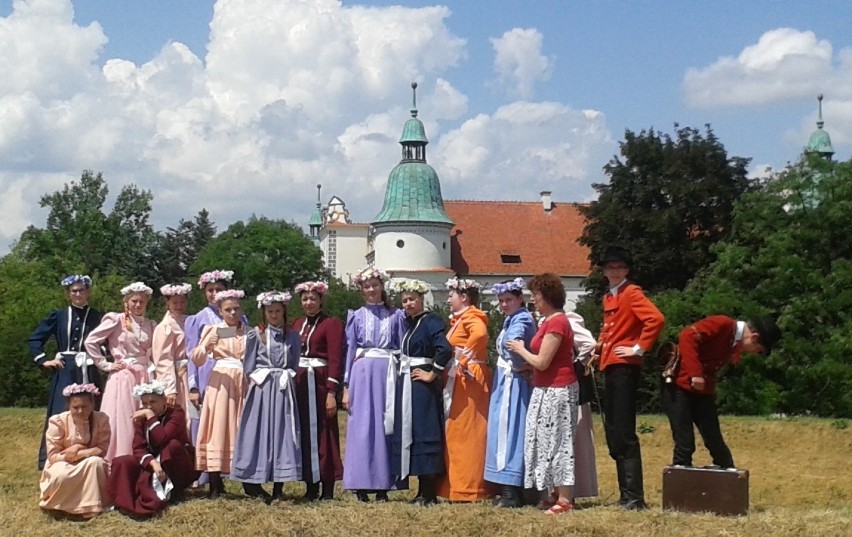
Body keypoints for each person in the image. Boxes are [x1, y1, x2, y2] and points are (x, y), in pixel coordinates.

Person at [594, 247, 665, 510]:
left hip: (624, 366)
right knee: (614, 430)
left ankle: (634, 497)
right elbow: (610, 329)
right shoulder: (610, 296)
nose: (613, 272)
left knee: (623, 431)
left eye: (618, 268)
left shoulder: (631, 292)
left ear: (626, 270)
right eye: (609, 268)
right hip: (611, 365)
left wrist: (638, 348)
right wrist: (598, 350)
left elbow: (655, 319)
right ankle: (626, 494)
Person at [662, 315, 781, 469]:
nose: (753, 353)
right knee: (685, 443)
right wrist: (695, 373)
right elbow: (687, 335)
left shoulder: (733, 343)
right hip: (678, 385)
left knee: (715, 442)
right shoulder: (722, 324)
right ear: (754, 337)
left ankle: (727, 478)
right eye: (758, 350)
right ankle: (680, 481)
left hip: (703, 392)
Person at [506, 273, 578, 516]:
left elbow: (544, 361)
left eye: (536, 295)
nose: (533, 299)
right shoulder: (547, 321)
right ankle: (555, 493)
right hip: (545, 387)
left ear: (547, 296)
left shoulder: (558, 322)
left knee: (560, 441)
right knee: (545, 441)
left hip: (559, 388)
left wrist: (520, 349)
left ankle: (566, 498)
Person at [342, 266, 405, 502]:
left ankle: (383, 484)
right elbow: (349, 350)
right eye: (366, 286)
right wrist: (346, 385)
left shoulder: (396, 315)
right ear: (361, 290)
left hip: (387, 372)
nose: (371, 290)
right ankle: (360, 483)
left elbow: (401, 346)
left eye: (375, 285)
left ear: (382, 287)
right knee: (361, 425)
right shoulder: (356, 316)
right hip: (363, 371)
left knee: (385, 424)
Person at [232, 291, 302, 502]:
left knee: (282, 433)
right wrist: (258, 380)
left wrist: (284, 376)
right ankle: (254, 480)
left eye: (278, 311)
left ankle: (279, 486)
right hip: (262, 389)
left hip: (282, 388)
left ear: (284, 312)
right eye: (270, 311)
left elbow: (294, 362)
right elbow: (249, 364)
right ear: (264, 312)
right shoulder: (256, 334)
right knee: (259, 431)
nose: (274, 315)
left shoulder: (292, 336)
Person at [387, 279, 452, 506]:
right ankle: (421, 490)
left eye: (412, 299)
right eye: (404, 300)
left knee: (425, 431)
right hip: (408, 383)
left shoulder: (430, 321)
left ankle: (429, 491)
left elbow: (444, 348)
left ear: (422, 299)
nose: (408, 304)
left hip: (422, 387)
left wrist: (432, 374)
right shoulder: (409, 323)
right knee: (411, 432)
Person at [29, 274, 103, 470]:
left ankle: (90, 451)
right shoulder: (59, 315)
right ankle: (52, 456)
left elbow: (108, 342)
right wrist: (44, 360)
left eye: (82, 290)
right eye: (74, 291)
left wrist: (106, 360)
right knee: (61, 411)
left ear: (88, 291)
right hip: (66, 369)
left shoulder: (98, 316)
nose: (78, 294)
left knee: (91, 409)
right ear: (68, 294)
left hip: (89, 368)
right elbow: (35, 338)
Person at [85, 281, 157, 463]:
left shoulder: (150, 324)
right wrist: (106, 364)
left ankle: (144, 457)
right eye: (134, 301)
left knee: (144, 415)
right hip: (124, 375)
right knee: (123, 418)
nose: (138, 305)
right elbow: (91, 341)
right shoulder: (116, 320)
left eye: (141, 301)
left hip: (145, 375)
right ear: (126, 302)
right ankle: (120, 457)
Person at [109, 380, 199, 517]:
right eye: (144, 403)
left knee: (172, 446)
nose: (148, 407)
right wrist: (153, 463)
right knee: (122, 462)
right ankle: (126, 502)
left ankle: (172, 491)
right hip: (154, 461)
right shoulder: (141, 416)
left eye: (153, 402)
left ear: (164, 400)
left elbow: (161, 438)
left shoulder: (176, 413)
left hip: (176, 461)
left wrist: (150, 417)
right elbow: (138, 447)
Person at [438, 276, 492, 502]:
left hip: (469, 378)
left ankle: (470, 487)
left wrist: (464, 359)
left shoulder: (472, 317)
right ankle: (458, 484)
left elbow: (480, 334)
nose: (448, 299)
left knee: (468, 430)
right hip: (462, 377)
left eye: (451, 295)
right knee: (457, 430)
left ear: (463, 297)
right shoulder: (461, 319)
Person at [484, 278, 536, 507]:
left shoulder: (522, 318)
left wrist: (519, 364)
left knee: (510, 431)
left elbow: (512, 344)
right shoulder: (511, 319)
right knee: (505, 430)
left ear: (520, 299)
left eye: (508, 300)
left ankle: (511, 491)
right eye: (501, 301)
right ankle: (508, 488)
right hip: (506, 382)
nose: (504, 305)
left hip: (513, 383)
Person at [192, 289, 249, 499]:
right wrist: (208, 343)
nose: (233, 313)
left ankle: (246, 480)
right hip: (221, 381)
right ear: (220, 311)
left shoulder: (248, 331)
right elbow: (197, 358)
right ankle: (215, 482)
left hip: (243, 380)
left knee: (240, 427)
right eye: (228, 310)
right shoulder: (218, 330)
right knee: (218, 427)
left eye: (236, 308)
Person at [291, 281, 344, 501]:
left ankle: (328, 487)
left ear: (321, 300)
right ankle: (310, 486)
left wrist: (332, 392)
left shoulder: (331, 324)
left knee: (325, 433)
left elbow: (335, 359)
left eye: (313, 298)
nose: (309, 303)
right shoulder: (296, 324)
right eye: (305, 299)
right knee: (303, 432)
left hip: (320, 384)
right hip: (301, 384)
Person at [39, 383, 111, 519]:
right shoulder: (57, 421)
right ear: (68, 406)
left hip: (88, 460)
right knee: (62, 475)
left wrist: (79, 449)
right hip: (62, 461)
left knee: (96, 463)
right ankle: (62, 505)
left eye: (84, 407)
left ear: (92, 405)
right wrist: (70, 456)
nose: (80, 411)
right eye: (75, 407)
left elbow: (102, 449)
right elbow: (53, 455)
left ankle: (91, 505)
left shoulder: (101, 419)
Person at [184, 269, 237, 439]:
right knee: (206, 417)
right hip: (206, 372)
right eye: (210, 290)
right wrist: (193, 386)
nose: (215, 294)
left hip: (233, 373)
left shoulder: (239, 317)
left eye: (219, 290)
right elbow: (192, 353)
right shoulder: (197, 319)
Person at [565, 311, 599, 501]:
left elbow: (589, 343)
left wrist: (576, 363)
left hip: (572, 383)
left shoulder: (568, 319)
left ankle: (575, 488)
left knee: (576, 435)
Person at [151, 283, 193, 428]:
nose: (179, 306)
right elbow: (163, 359)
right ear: (167, 302)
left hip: (191, 372)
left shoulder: (190, 321)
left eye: (182, 302)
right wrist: (170, 389)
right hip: (177, 376)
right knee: (180, 414)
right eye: (175, 302)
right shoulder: (165, 327)